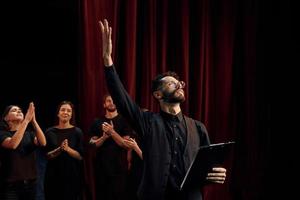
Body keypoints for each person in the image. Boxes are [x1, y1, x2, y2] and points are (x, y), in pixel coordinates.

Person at [99, 19, 227, 200]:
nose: (178, 85)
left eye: (179, 83)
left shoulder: (198, 128)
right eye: (171, 83)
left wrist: (215, 174)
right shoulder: (148, 122)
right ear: (158, 95)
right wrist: (107, 61)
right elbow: (122, 100)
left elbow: (206, 168)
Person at [88, 94, 135, 200]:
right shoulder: (97, 122)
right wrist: (104, 137)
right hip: (101, 167)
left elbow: (126, 145)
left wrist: (112, 132)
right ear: (104, 104)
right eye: (108, 101)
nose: (112, 103)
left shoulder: (124, 121)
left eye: (113, 101)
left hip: (119, 167)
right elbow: (92, 144)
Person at [0, 102, 46, 200]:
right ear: (6, 118)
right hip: (11, 187)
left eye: (20, 110)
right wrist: (26, 120)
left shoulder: (29, 134)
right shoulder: (3, 133)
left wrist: (33, 121)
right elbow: (13, 144)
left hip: (31, 184)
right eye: (14, 110)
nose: (18, 111)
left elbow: (43, 143)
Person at [43, 101, 84, 200]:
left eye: (69, 111)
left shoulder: (77, 132)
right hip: (53, 177)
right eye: (63, 110)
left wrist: (68, 149)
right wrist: (59, 149)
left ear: (71, 115)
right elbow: (47, 155)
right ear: (58, 113)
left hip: (72, 177)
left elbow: (80, 156)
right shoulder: (49, 132)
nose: (65, 112)